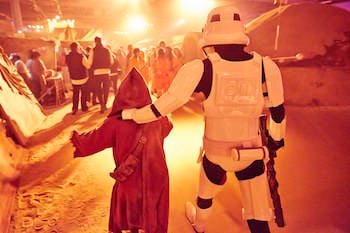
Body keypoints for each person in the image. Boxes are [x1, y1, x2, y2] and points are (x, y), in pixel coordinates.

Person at [120, 4, 286, 233]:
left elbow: (164, 106)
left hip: (216, 153)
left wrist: (133, 116)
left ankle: (200, 224)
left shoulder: (199, 68)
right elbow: (278, 113)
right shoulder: (266, 67)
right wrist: (276, 141)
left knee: (205, 194)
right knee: (257, 214)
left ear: (209, 33)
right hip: (254, 152)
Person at [70, 68, 173, 233]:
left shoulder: (114, 124)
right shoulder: (157, 119)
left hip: (129, 178)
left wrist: (77, 138)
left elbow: (92, 140)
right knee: (152, 210)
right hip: (156, 175)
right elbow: (168, 127)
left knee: (131, 209)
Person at [87, 36, 114, 113]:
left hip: (97, 72)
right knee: (106, 89)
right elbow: (111, 61)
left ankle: (102, 105)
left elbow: (89, 62)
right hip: (106, 72)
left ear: (95, 42)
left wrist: (90, 67)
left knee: (98, 89)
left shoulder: (93, 50)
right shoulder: (107, 50)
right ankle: (104, 104)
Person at [65, 42, 90, 114]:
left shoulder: (67, 56)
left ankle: (74, 108)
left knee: (75, 93)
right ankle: (84, 107)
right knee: (84, 93)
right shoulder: (81, 56)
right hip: (83, 78)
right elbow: (87, 65)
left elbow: (67, 65)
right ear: (77, 47)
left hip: (73, 78)